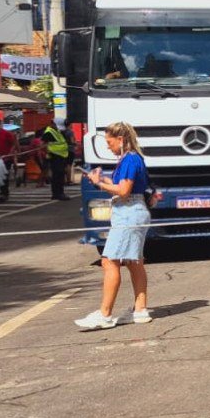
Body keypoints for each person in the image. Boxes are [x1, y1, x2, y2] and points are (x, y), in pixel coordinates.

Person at [75, 123, 152, 330]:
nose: (108, 147)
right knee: (135, 262)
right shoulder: (133, 158)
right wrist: (102, 180)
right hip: (135, 211)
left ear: (121, 139)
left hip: (128, 213)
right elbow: (124, 187)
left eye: (109, 142)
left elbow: (124, 191)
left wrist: (99, 183)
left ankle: (105, 314)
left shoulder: (129, 159)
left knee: (109, 261)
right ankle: (140, 309)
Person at [39, 118, 72, 200]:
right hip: (55, 156)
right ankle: (58, 193)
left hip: (60, 156)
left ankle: (58, 193)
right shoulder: (49, 132)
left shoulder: (57, 131)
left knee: (59, 175)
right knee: (57, 176)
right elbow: (42, 144)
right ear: (53, 124)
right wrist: (47, 153)